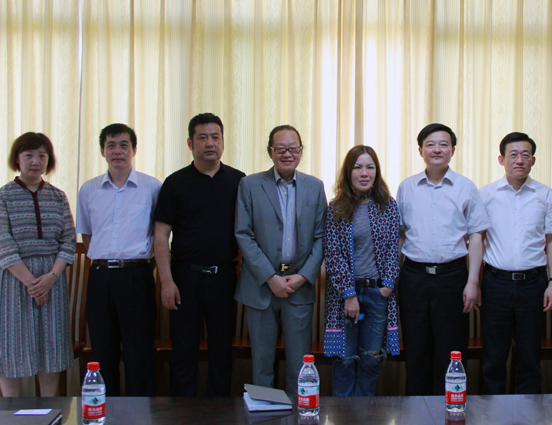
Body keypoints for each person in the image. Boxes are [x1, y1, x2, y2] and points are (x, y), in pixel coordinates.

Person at [154, 113, 245, 397]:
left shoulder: (239, 181)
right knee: (184, 352)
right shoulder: (175, 183)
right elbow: (160, 235)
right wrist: (166, 282)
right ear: (190, 143)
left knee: (222, 352)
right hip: (185, 277)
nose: (210, 143)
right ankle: (183, 413)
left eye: (215, 137)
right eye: (202, 138)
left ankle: (219, 412)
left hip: (224, 277)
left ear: (223, 141)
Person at [397, 123, 490, 396]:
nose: (437, 149)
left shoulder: (466, 187)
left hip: (452, 278)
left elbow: (477, 237)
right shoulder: (407, 187)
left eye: (443, 144)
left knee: (451, 352)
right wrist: (394, 277)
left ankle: (451, 408)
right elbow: (399, 236)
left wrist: (472, 282)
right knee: (416, 350)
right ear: (420, 150)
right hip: (413, 276)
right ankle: (416, 411)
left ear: (452, 150)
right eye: (430, 144)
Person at [235, 125, 327, 397]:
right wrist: (270, 277)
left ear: (301, 151)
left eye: (293, 148)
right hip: (260, 287)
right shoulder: (250, 185)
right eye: (281, 149)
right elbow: (243, 234)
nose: (288, 154)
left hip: (299, 287)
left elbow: (321, 237)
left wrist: (303, 276)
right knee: (262, 364)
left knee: (300, 365)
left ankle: (299, 412)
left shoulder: (314, 187)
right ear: (270, 152)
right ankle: (264, 411)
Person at [76, 123, 162, 396]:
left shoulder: (152, 187)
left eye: (124, 145)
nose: (117, 151)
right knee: (103, 352)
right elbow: (87, 236)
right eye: (111, 145)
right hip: (100, 277)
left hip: (137, 276)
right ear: (102, 151)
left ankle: (140, 412)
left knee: (140, 353)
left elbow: (159, 235)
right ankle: (105, 411)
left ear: (134, 150)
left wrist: (140, 265)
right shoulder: (88, 190)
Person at [0, 132, 76, 397]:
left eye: (41, 155)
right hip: (15, 279)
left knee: (51, 344)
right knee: (12, 344)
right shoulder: (2, 197)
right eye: (28, 155)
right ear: (17, 159)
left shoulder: (58, 197)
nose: (35, 161)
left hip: (52, 278)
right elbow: (3, 244)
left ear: (49, 160)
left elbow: (68, 241)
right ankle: (10, 409)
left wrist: (51, 277)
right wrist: (33, 284)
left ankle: (50, 408)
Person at [479, 132, 552, 394]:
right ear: (501, 159)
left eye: (526, 155)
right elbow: (477, 239)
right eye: (513, 155)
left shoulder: (545, 194)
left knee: (529, 356)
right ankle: (492, 412)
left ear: (533, 160)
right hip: (495, 283)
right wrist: (474, 282)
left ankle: (530, 412)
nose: (519, 160)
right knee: (494, 357)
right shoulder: (486, 194)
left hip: (533, 283)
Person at [323, 145, 401, 397]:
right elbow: (333, 254)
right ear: (348, 172)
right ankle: (343, 414)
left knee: (370, 359)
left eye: (370, 167)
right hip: (345, 295)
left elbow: (393, 249)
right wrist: (349, 294)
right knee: (345, 360)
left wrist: (388, 285)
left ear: (377, 172)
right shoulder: (336, 208)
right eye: (357, 167)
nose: (364, 173)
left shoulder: (388, 206)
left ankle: (365, 414)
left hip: (378, 293)